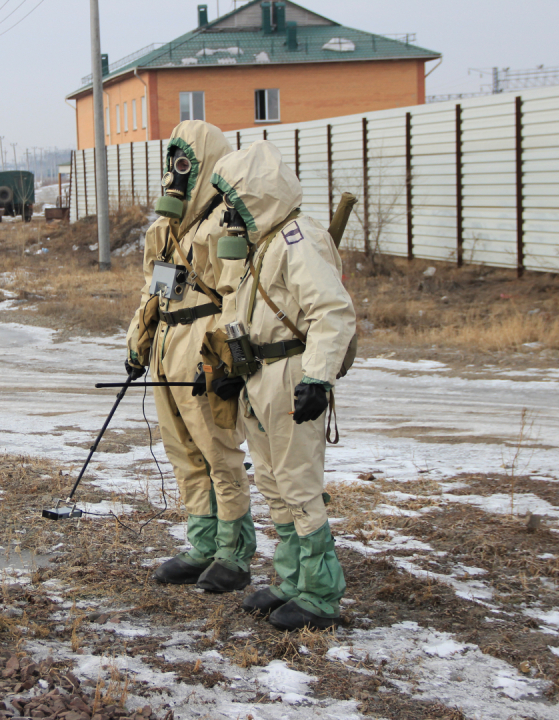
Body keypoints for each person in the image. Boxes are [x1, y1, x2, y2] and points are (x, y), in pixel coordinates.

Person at [208, 141, 356, 631]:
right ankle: (293, 580)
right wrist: (232, 369)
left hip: (292, 374)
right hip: (260, 377)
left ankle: (319, 594)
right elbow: (245, 312)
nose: (228, 210)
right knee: (273, 482)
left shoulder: (298, 240)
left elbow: (331, 311)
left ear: (255, 194)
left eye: (234, 198)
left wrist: (317, 378)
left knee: (298, 483)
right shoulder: (264, 243)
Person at [124, 121, 256, 593]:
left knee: (219, 451)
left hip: (203, 345)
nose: (176, 174)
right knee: (183, 453)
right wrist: (138, 343)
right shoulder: (164, 228)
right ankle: (202, 544)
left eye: (186, 163)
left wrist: (226, 362)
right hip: (166, 345)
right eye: (173, 162)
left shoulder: (227, 225)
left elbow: (238, 296)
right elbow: (153, 289)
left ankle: (233, 554)